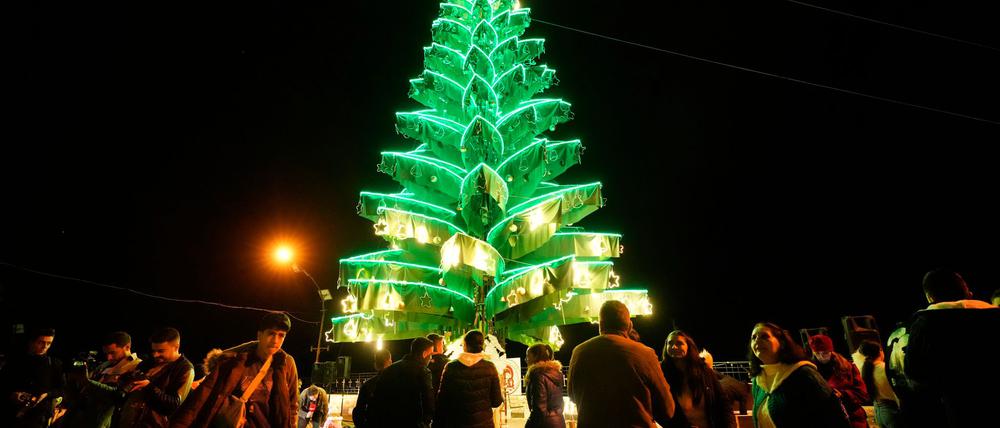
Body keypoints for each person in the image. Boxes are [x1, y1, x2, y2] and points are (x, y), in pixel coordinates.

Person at [902, 269, 1000, 427]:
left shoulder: (926, 323)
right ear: (967, 291)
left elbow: (915, 373)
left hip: (956, 408)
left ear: (930, 297)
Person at [170, 312, 299, 428]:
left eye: (281, 335)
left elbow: (292, 406)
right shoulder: (237, 361)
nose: (276, 340)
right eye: (271, 333)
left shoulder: (286, 364)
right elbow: (204, 397)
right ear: (260, 334)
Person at [568, 300, 674, 428]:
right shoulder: (645, 354)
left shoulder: (579, 352)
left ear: (600, 325)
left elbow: (573, 396)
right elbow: (668, 409)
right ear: (630, 326)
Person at [748, 322, 849, 428]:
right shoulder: (758, 380)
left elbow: (835, 416)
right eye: (753, 337)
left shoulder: (803, 374)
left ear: (781, 342)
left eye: (764, 336)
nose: (757, 341)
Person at [118, 327, 195, 428]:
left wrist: (149, 387)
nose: (155, 355)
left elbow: (173, 405)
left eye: (161, 351)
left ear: (176, 347)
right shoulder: (148, 362)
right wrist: (125, 379)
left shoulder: (185, 369)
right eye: (153, 350)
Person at [63, 331, 142, 428]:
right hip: (84, 416)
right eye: (107, 353)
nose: (109, 357)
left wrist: (88, 382)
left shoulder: (137, 366)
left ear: (127, 347)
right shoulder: (105, 365)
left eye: (113, 353)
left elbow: (120, 397)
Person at [660, 330, 735, 428]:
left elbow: (723, 401)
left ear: (689, 346)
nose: (673, 346)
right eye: (670, 343)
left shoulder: (704, 371)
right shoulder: (662, 374)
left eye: (679, 343)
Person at [433, 330, 503, 428]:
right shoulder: (490, 367)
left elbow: (442, 401)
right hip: (484, 424)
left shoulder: (451, 367)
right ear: (482, 345)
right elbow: (497, 402)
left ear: (465, 345)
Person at [0, 327, 65, 428]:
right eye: (41, 342)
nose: (45, 346)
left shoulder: (55, 364)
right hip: (12, 415)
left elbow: (61, 389)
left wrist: (47, 394)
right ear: (31, 341)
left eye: (49, 343)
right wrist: (12, 394)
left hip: (38, 418)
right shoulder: (15, 361)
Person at [367, 337, 435, 427]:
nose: (431, 358)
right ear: (424, 354)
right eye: (430, 355)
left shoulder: (390, 370)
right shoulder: (423, 372)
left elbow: (376, 399)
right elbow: (428, 403)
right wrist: (426, 423)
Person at [807, 334, 869, 428]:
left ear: (831, 350)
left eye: (825, 352)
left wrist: (842, 394)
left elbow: (862, 394)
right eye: (817, 353)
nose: (821, 356)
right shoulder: (810, 371)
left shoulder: (847, 367)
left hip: (852, 419)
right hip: (827, 421)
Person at [854, 340, 900, 428]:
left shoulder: (864, 370)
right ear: (880, 351)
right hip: (890, 410)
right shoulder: (884, 369)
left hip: (878, 411)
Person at [524, 343, 564, 428]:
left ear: (536, 357)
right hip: (559, 422)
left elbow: (539, 410)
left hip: (545, 424)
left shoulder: (538, 375)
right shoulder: (557, 373)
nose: (526, 359)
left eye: (528, 356)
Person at [701, 350, 752, 415]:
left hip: (719, 391)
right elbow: (743, 410)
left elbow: (716, 373)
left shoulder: (729, 378)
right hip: (723, 395)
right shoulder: (743, 392)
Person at [352, 349, 391, 428]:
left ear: (375, 364)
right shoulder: (396, 384)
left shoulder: (367, 385)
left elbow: (358, 412)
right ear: (389, 362)